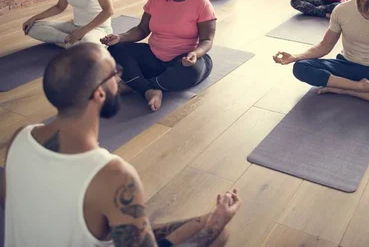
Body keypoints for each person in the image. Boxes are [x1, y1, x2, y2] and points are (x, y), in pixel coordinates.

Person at [0, 43, 241, 247]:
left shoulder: (20, 137)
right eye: (115, 72)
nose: (120, 76)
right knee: (220, 235)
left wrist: (202, 221)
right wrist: (214, 226)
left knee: (200, 225)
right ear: (99, 95)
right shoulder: (114, 176)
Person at [102, 0, 216, 112]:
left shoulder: (201, 3)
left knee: (191, 72)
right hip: (154, 58)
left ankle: (136, 85)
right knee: (116, 50)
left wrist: (195, 54)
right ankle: (149, 89)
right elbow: (142, 29)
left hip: (184, 61)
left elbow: (207, 40)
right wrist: (120, 37)